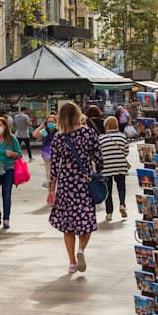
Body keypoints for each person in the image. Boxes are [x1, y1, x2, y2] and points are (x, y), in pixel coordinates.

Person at [47, 101, 102, 274]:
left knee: (68, 225)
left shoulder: (58, 138)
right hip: (83, 183)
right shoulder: (88, 133)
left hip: (65, 185)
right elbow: (99, 158)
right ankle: (81, 250)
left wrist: (51, 189)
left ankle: (71, 262)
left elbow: (54, 166)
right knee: (86, 220)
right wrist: (97, 171)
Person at [98, 115, 129, 221]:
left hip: (106, 167)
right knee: (121, 186)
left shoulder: (101, 138)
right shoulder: (122, 136)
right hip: (120, 166)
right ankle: (122, 204)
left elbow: (98, 153)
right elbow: (126, 152)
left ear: (107, 126)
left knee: (108, 190)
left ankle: (109, 212)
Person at [33, 113, 58, 187]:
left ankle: (55, 182)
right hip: (46, 154)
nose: (50, 123)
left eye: (52, 122)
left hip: (56, 154)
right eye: (49, 122)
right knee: (48, 169)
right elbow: (34, 134)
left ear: (56, 122)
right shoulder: (45, 131)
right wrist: (41, 126)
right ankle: (50, 182)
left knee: (56, 169)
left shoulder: (58, 131)